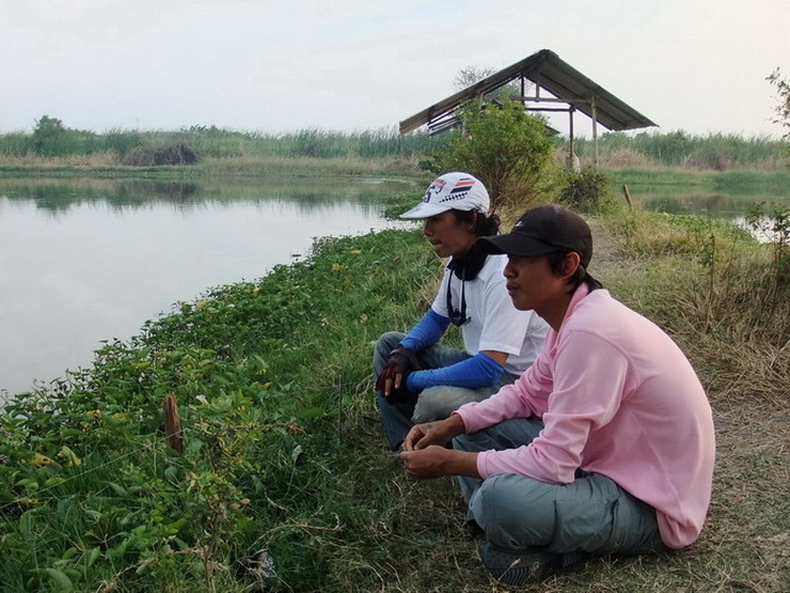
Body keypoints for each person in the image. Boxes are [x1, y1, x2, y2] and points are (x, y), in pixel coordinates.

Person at [398, 204, 716, 585]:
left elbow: (553, 463)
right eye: (508, 257)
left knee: (500, 498)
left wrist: (450, 463)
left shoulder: (590, 333)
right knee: (470, 425)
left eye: (523, 260)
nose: (507, 271)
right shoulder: (570, 319)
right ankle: (506, 523)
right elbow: (526, 394)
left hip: (650, 504)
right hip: (602, 463)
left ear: (567, 265)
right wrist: (452, 424)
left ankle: (512, 525)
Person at [374, 172, 548, 451]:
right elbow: (437, 318)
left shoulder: (504, 272)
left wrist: (414, 379)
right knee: (388, 345)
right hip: (476, 361)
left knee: (435, 399)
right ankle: (405, 442)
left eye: (436, 219)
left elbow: (489, 369)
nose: (426, 230)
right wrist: (403, 352)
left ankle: (432, 441)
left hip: (513, 380)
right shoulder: (461, 262)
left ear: (470, 220)